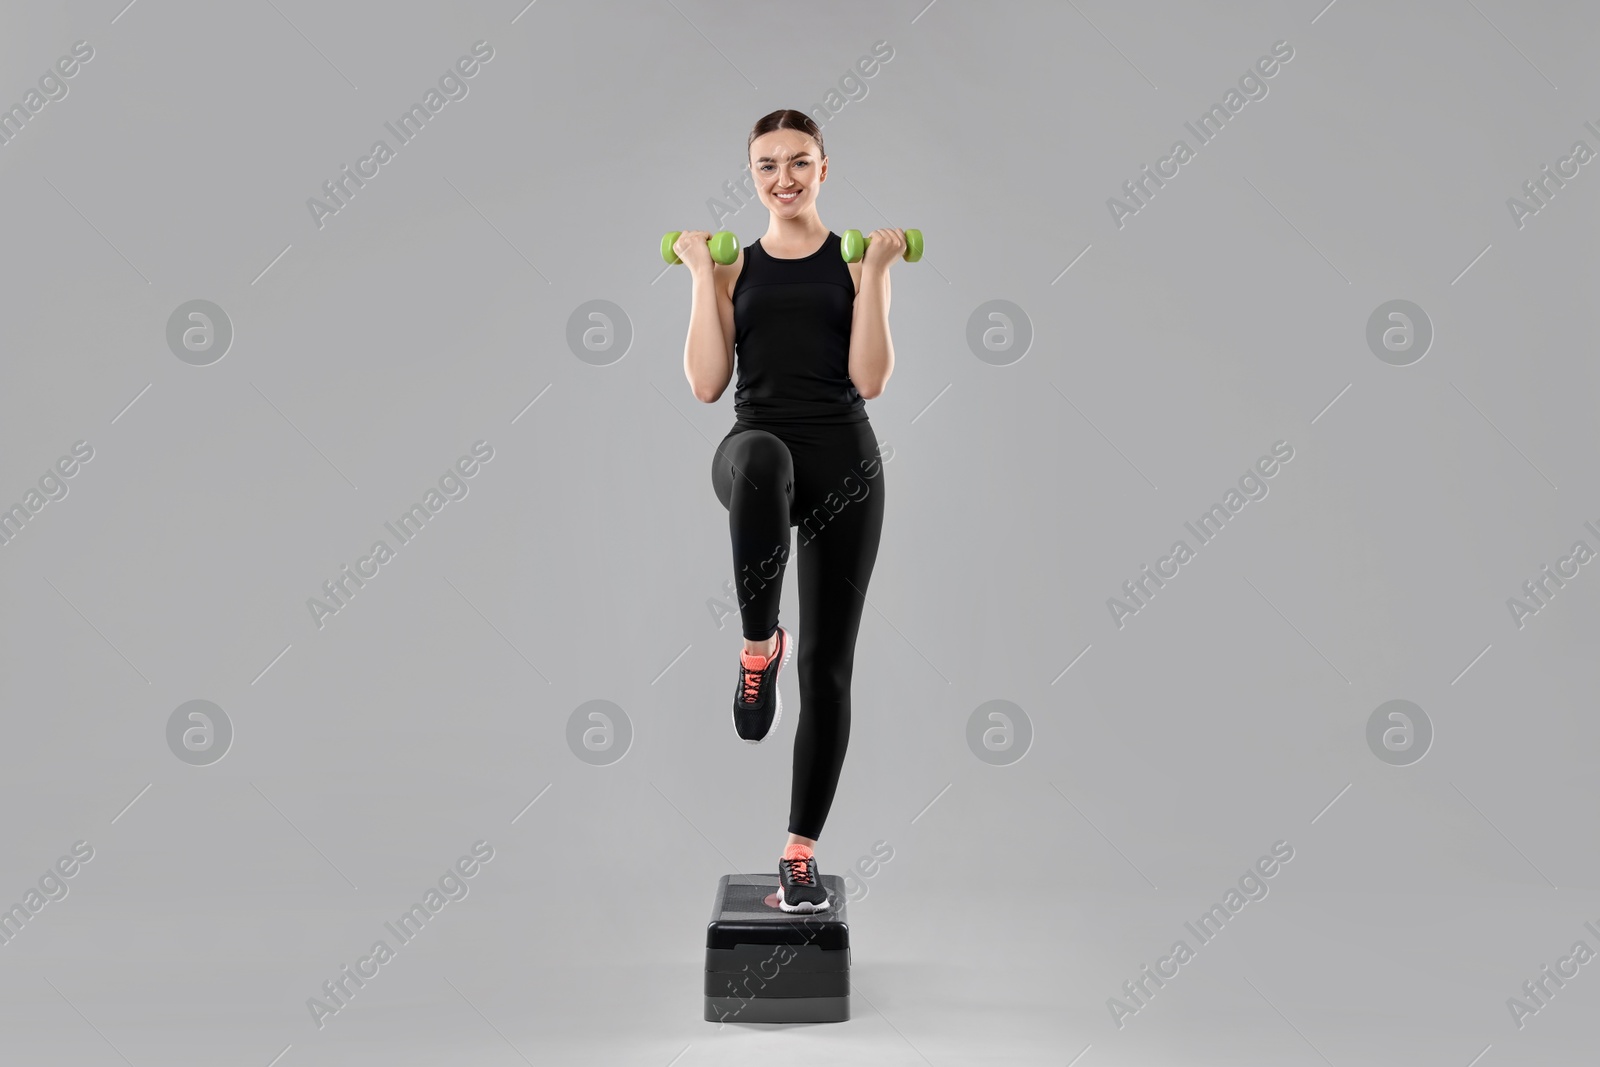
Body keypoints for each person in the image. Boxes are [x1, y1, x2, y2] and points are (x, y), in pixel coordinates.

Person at [676, 109, 905, 913]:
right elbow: (707, 385)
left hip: (844, 461)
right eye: (768, 165)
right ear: (752, 175)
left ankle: (799, 851)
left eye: (800, 163)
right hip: (756, 458)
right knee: (764, 456)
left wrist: (876, 273)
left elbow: (870, 380)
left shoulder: (851, 266)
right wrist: (702, 275)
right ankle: (754, 645)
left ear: (824, 169)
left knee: (828, 671)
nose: (784, 178)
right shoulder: (738, 270)